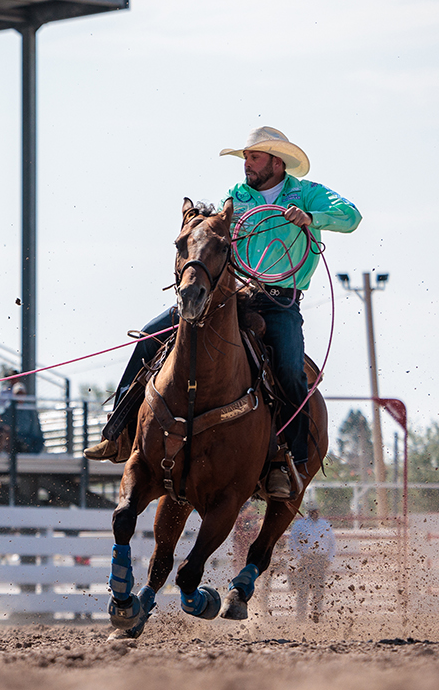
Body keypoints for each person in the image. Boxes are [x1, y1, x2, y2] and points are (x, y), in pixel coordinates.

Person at [85, 127, 362, 501]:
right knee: (151, 337)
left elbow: (351, 216)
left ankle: (287, 460)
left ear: (276, 162)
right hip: (232, 295)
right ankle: (117, 432)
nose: (247, 164)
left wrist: (310, 217)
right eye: (246, 157)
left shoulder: (308, 193)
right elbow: (213, 230)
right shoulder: (236, 197)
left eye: (254, 157)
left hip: (281, 301)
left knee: (290, 371)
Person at [288, 503, 335, 622]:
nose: (314, 513)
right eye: (312, 511)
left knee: (318, 589)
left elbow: (332, 543)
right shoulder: (300, 524)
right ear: (309, 512)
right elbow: (293, 542)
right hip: (306, 559)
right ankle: (301, 616)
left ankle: (316, 615)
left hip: (320, 559)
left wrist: (328, 559)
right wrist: (299, 557)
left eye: (316, 511)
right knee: (303, 589)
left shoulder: (324, 524)